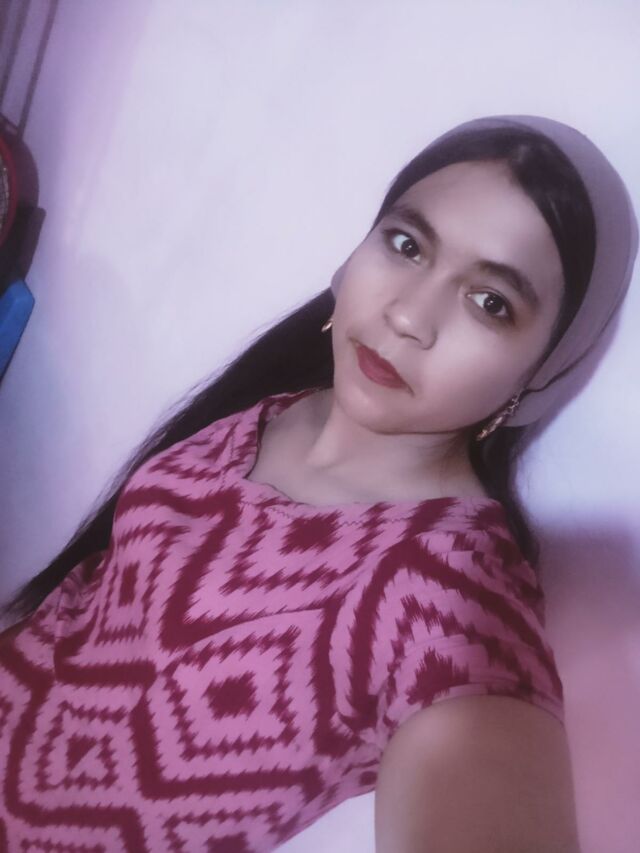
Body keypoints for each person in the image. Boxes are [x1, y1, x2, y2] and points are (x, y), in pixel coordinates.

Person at [0, 114, 636, 852]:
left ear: (538, 375)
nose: (409, 315)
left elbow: (481, 735)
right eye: (407, 245)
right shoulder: (270, 405)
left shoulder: (450, 593)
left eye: (491, 302)